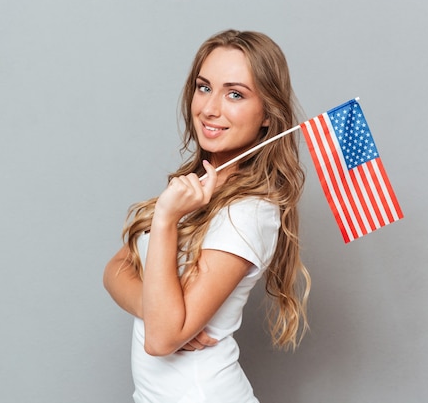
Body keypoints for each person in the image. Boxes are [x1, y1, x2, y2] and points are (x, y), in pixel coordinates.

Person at [103, 29, 310, 403]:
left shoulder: (247, 212)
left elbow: (163, 340)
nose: (210, 108)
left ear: (267, 114)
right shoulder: (198, 187)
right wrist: (155, 309)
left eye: (235, 94)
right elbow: (116, 269)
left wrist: (165, 219)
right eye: (203, 87)